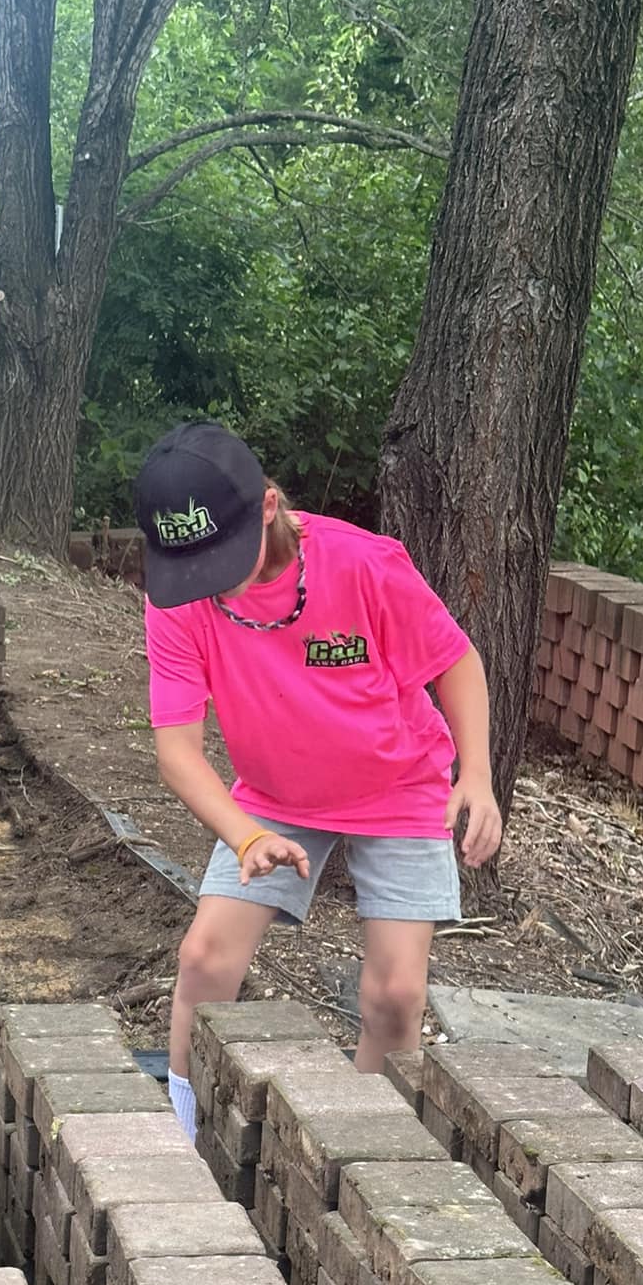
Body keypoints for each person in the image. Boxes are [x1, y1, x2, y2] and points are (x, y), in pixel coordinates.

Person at [136, 421, 503, 1139]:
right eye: (194, 568)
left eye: (222, 560)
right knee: (205, 957)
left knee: (395, 994)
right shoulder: (178, 600)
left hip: (398, 786)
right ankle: (181, 1133)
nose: (210, 584)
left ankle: (361, 1153)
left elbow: (457, 661)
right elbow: (176, 750)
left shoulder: (364, 566)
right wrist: (244, 836)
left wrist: (479, 775)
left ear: (268, 506)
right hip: (275, 798)